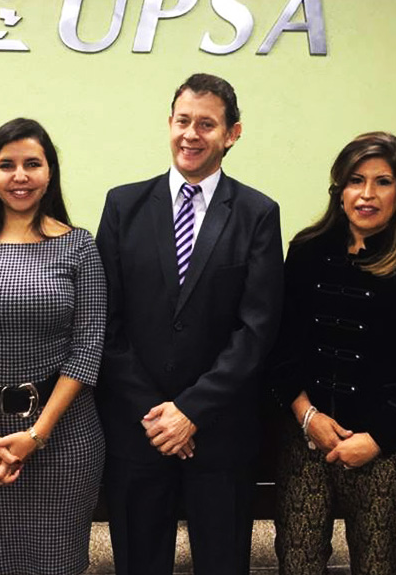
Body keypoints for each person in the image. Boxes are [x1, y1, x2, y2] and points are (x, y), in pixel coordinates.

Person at [95, 72, 284, 575]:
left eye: (206, 124)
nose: (191, 134)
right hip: (139, 428)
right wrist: (159, 415)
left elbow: (257, 328)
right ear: (169, 123)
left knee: (222, 562)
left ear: (232, 134)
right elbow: (105, 322)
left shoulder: (257, 213)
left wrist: (191, 410)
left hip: (220, 431)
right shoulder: (123, 205)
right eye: (183, 121)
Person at [268, 132, 396, 575]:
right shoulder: (306, 250)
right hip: (309, 435)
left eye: (383, 182)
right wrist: (307, 416)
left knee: (377, 564)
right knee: (297, 560)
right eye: (356, 181)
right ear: (339, 190)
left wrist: (377, 440)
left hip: (386, 444)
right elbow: (281, 347)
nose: (367, 194)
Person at [0, 117, 106, 575]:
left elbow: (88, 348)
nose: (20, 176)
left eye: (32, 164)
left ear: (50, 173)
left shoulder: (78, 247)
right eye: (6, 165)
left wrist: (36, 435)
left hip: (65, 436)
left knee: (57, 561)